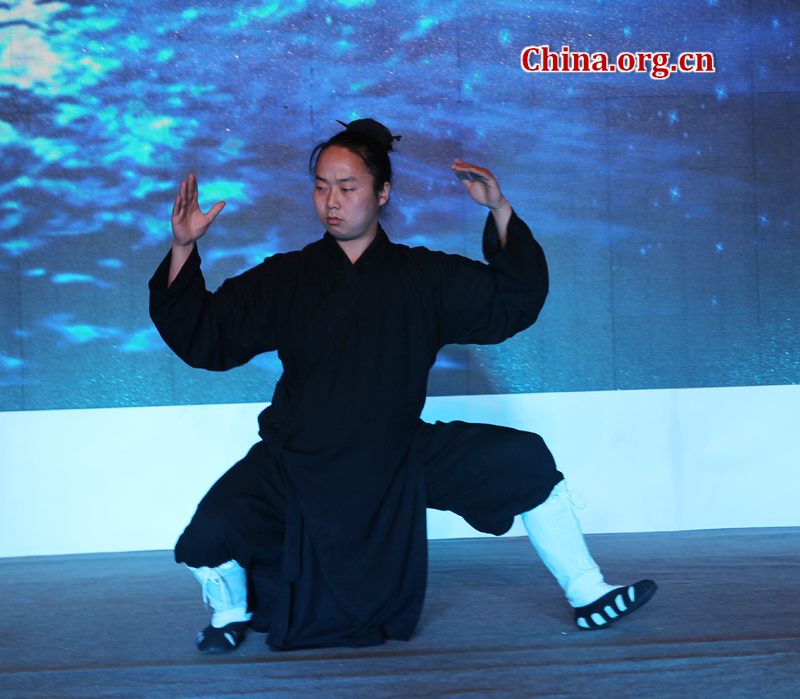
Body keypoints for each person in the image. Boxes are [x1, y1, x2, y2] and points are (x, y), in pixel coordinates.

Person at [149, 118, 656, 654]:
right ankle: (232, 611)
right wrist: (183, 247)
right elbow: (206, 335)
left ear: (382, 192)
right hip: (300, 459)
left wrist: (499, 210)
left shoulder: (423, 277)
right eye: (321, 186)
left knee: (522, 457)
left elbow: (512, 300)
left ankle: (588, 591)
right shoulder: (285, 278)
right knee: (208, 533)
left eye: (347, 187)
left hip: (394, 453)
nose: (331, 201)